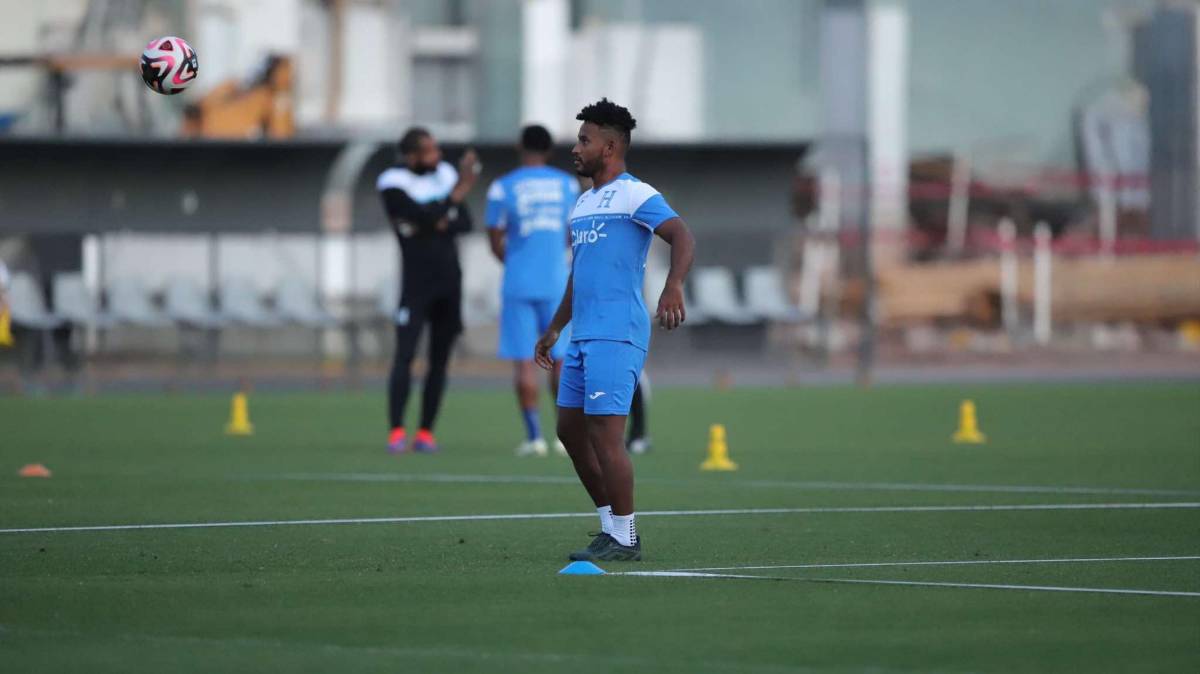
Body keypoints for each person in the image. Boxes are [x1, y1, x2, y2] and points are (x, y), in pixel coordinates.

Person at [535, 99, 695, 562]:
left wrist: (673, 286)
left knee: (606, 436)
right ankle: (611, 528)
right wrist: (554, 328)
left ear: (609, 147)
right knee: (569, 431)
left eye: (584, 140)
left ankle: (626, 537)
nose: (575, 148)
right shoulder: (583, 202)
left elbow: (682, 235)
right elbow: (579, 274)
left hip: (617, 332)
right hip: (582, 335)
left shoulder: (635, 194)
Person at [376, 127, 480, 454]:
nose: (438, 156)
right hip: (415, 283)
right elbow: (417, 218)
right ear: (412, 157)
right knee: (405, 355)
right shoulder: (392, 182)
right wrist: (452, 199)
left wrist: (439, 215)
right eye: (430, 151)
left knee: (440, 360)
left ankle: (425, 432)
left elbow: (464, 223)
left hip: (449, 282)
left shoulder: (445, 174)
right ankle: (396, 430)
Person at [485, 124, 578, 458]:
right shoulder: (567, 184)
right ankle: (566, 438)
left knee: (525, 361)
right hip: (556, 281)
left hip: (518, 282)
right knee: (560, 359)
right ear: (549, 150)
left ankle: (535, 437)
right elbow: (573, 233)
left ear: (519, 147)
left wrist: (513, 262)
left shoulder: (502, 187)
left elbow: (494, 237)